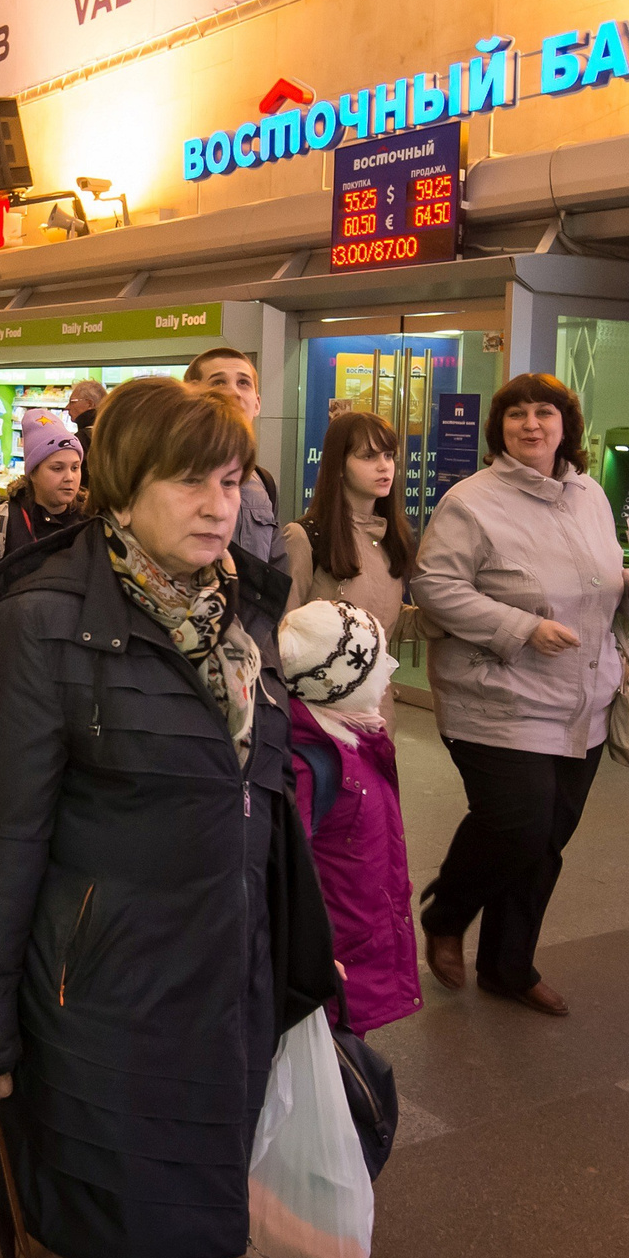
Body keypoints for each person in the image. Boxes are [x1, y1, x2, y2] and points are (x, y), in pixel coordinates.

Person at [0, 376, 311, 1258]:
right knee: (126, 1257)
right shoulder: (43, 626)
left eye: (230, 482)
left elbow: (256, 797)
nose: (218, 508)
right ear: (121, 482)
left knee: (177, 1227)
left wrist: (300, 951)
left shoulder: (242, 615)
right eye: (190, 483)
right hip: (105, 1002)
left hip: (225, 978)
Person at [411, 372, 629, 1018]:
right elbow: (436, 586)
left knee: (546, 840)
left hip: (582, 700)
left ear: (565, 425)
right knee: (516, 825)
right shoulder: (471, 501)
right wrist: (520, 626)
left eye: (543, 413)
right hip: (495, 698)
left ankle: (507, 965)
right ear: (499, 428)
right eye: (516, 414)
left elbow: (602, 574)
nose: (530, 424)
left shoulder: (590, 496)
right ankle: (448, 913)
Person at [278, 599, 420, 1034]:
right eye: (378, 667)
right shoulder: (308, 766)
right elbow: (284, 874)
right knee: (334, 1065)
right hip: (338, 953)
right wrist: (308, 955)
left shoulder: (355, 738)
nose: (390, 671)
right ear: (344, 684)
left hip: (361, 928)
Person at [283, 409, 416, 634]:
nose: (384, 466)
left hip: (378, 668)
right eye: (368, 456)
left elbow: (382, 620)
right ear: (340, 465)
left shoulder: (389, 536)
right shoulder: (304, 537)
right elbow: (283, 631)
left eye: (388, 455)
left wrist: (450, 619)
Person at [187, 347, 278, 564]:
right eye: (219, 382)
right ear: (190, 394)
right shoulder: (169, 472)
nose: (234, 393)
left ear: (257, 404)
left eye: (243, 383)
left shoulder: (263, 482)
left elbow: (275, 568)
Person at [0, 407, 82, 568]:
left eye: (75, 468)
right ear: (32, 473)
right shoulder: (2, 522)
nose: (70, 477)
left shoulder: (90, 520)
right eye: (57, 468)